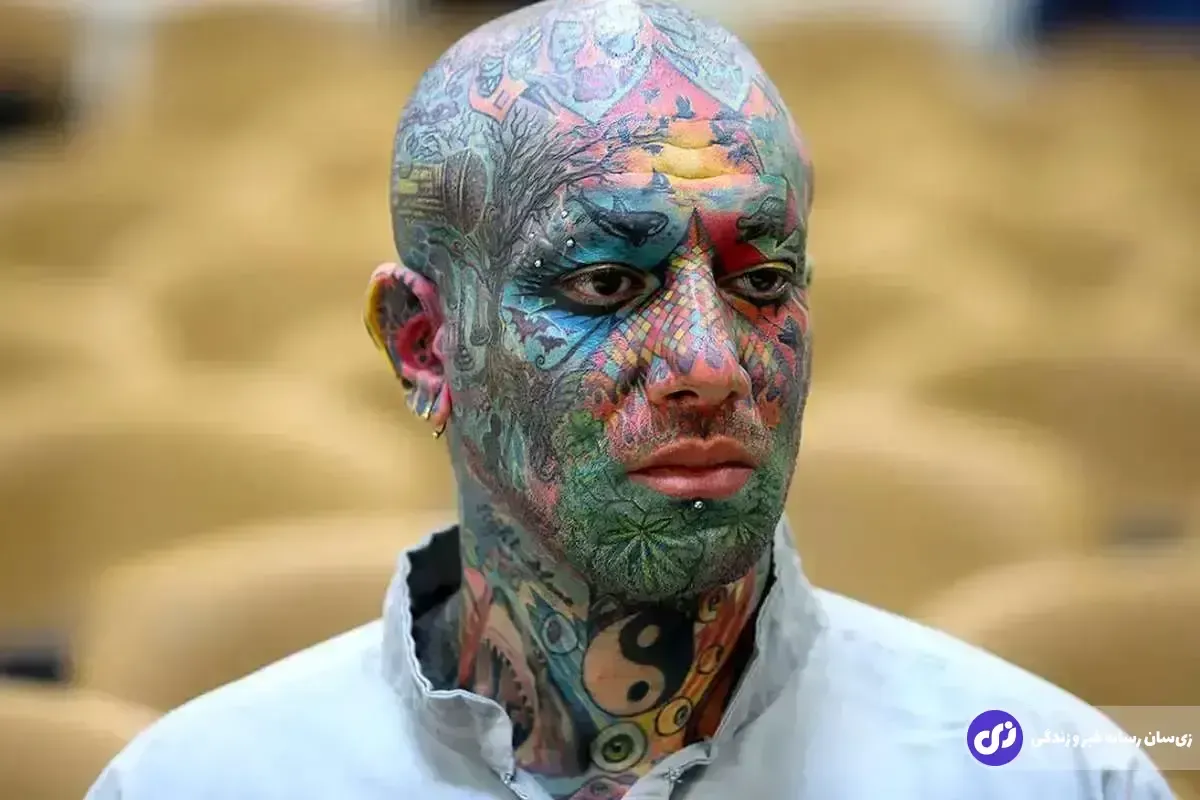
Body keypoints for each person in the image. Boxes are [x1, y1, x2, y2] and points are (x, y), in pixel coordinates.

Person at [85, 1, 1175, 798]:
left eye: (762, 282)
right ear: (423, 346)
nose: (712, 362)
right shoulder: (198, 784)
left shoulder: (1045, 775)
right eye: (606, 284)